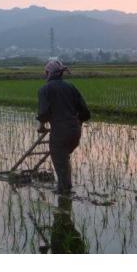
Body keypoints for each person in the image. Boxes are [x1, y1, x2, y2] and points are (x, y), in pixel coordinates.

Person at [37, 58, 90, 193]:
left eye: (46, 72)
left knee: (60, 163)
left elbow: (43, 113)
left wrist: (42, 126)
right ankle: (67, 187)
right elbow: (85, 112)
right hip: (75, 132)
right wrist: (77, 123)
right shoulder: (71, 87)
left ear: (49, 73)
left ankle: (64, 196)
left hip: (60, 132)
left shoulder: (44, 89)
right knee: (64, 159)